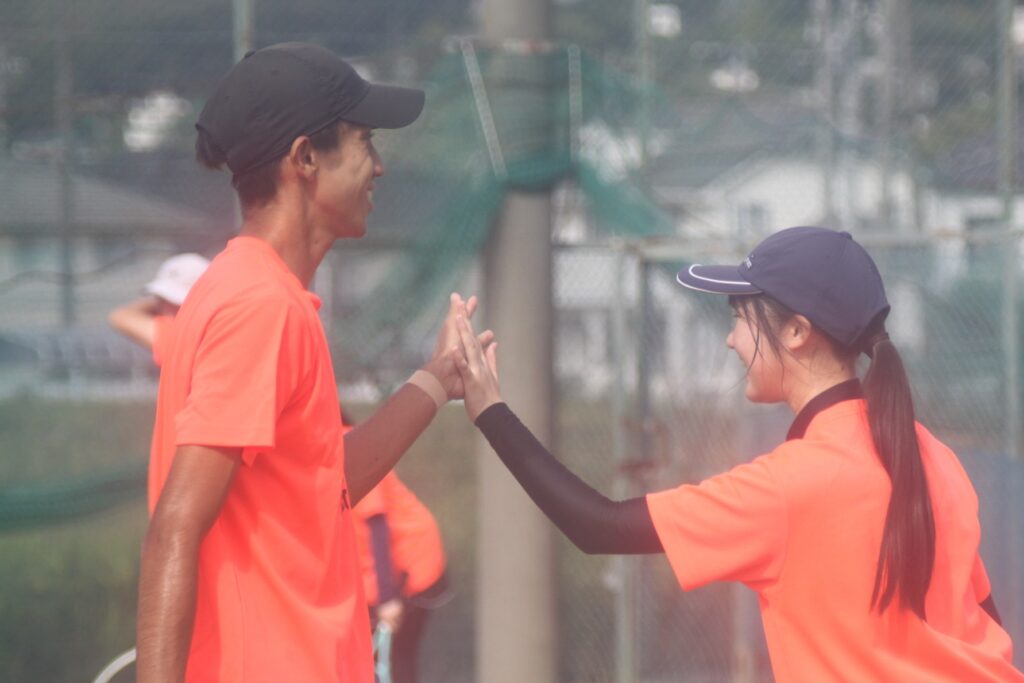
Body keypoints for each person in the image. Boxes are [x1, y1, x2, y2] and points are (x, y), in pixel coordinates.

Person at [452, 226, 1024, 682]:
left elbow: (599, 526)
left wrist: (489, 410)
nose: (731, 339)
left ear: (797, 332)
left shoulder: (789, 486)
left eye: (739, 318)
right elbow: (981, 618)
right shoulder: (932, 454)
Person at [136, 42, 490, 683]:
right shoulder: (259, 306)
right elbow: (176, 527)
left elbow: (327, 483)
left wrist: (438, 379)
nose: (379, 166)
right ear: (304, 159)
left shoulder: (262, 294)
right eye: (364, 142)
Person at [352, 468, 449, 683]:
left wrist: (387, 598)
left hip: (411, 564)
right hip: (378, 577)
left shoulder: (352, 457)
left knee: (396, 660)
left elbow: (377, 527)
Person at [107, 252, 209, 364]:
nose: (165, 308)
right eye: (161, 299)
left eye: (175, 302)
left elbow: (120, 316)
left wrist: (155, 303)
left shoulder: (180, 337)